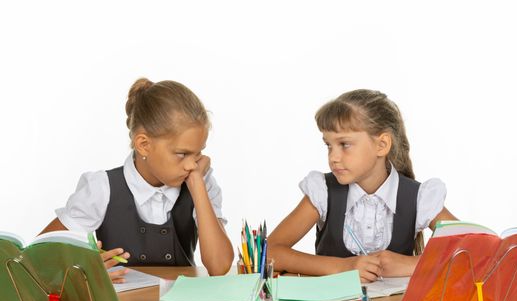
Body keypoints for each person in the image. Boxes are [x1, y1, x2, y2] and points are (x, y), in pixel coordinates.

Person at [41, 78, 234, 281]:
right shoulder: (102, 188)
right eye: (181, 154)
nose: (192, 165)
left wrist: (198, 186)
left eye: (197, 153)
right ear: (143, 145)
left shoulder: (200, 181)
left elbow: (219, 266)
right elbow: (36, 258)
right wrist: (82, 267)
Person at [267, 89, 457, 282]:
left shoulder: (418, 198)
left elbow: (479, 250)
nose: (333, 157)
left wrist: (410, 264)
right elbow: (269, 253)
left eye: (345, 144)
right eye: (329, 145)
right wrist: (342, 267)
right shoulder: (323, 192)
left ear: (381, 145)